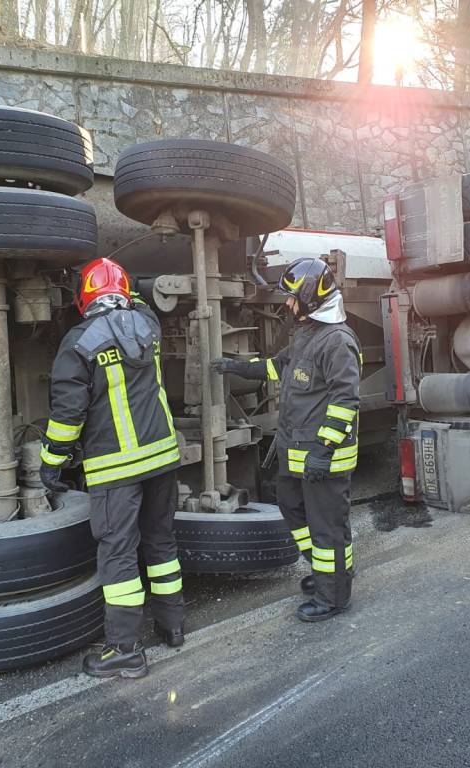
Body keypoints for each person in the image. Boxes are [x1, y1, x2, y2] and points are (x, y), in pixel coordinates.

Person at [40, 257, 184, 679]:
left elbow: (68, 415)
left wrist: (52, 463)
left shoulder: (79, 342)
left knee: (118, 554)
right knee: (161, 543)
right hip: (161, 456)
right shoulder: (148, 326)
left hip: (115, 467)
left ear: (84, 298)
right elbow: (138, 304)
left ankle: (124, 650)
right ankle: (172, 626)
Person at [211, 258, 361, 622]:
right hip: (296, 453)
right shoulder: (308, 333)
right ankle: (329, 571)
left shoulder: (337, 341)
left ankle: (334, 595)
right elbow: (276, 367)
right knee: (293, 510)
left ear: (310, 298)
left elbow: (345, 400)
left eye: (293, 298)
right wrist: (236, 367)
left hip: (323, 456)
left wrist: (325, 451)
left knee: (328, 527)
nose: (287, 305)